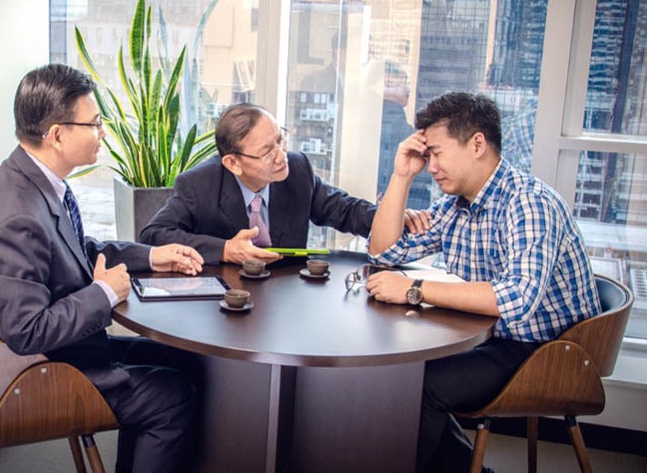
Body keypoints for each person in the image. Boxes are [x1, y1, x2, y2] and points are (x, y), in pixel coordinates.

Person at [0, 64, 205, 473]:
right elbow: (25, 332)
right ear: (57, 135)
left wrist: (150, 255)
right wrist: (105, 293)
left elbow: (75, 250)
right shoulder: (18, 214)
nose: (103, 132)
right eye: (94, 123)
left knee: (183, 361)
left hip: (59, 353)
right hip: (27, 377)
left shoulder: (33, 178)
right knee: (173, 395)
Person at [365, 92, 600, 473]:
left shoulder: (528, 203)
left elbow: (517, 299)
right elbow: (383, 253)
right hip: (500, 338)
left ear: (477, 144)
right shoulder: (457, 205)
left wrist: (414, 290)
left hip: (546, 352)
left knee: (421, 387)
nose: (432, 166)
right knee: (403, 375)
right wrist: (401, 176)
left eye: (437, 153)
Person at [139, 102, 429, 265]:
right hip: (223, 307)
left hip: (285, 301)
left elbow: (342, 209)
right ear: (233, 163)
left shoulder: (297, 169)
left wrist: (388, 217)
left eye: (280, 140)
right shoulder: (199, 184)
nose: (281, 156)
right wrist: (225, 249)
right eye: (267, 151)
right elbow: (153, 235)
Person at [377, 60, 432, 209]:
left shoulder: (373, 118)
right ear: (385, 85)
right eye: (402, 82)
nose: (408, 88)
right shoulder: (392, 120)